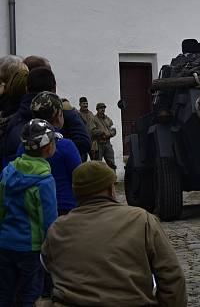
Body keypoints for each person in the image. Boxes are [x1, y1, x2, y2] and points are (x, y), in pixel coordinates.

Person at [41, 161, 187, 306]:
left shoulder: (57, 229)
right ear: (111, 190)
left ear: (77, 193)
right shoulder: (141, 220)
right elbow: (171, 276)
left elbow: (48, 265)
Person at [0, 119, 59, 306]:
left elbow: (1, 206)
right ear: (48, 148)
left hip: (5, 243)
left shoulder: (8, 171)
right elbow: (49, 220)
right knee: (30, 294)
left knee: (5, 293)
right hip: (31, 248)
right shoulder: (44, 181)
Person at [1, 67, 90, 167]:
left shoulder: (14, 124)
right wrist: (68, 112)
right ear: (54, 89)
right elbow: (84, 142)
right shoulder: (65, 145)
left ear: (27, 88)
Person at [17, 92, 82, 215]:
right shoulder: (65, 146)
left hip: (32, 208)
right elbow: (79, 177)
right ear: (58, 116)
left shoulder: (24, 146)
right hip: (65, 208)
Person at [92, 102, 117, 170]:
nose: (102, 109)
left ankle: (112, 179)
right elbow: (93, 131)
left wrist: (110, 134)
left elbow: (113, 129)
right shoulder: (94, 119)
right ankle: (98, 180)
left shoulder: (107, 119)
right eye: (101, 108)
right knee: (97, 164)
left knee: (111, 163)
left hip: (107, 144)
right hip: (98, 144)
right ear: (97, 109)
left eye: (103, 108)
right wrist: (102, 132)